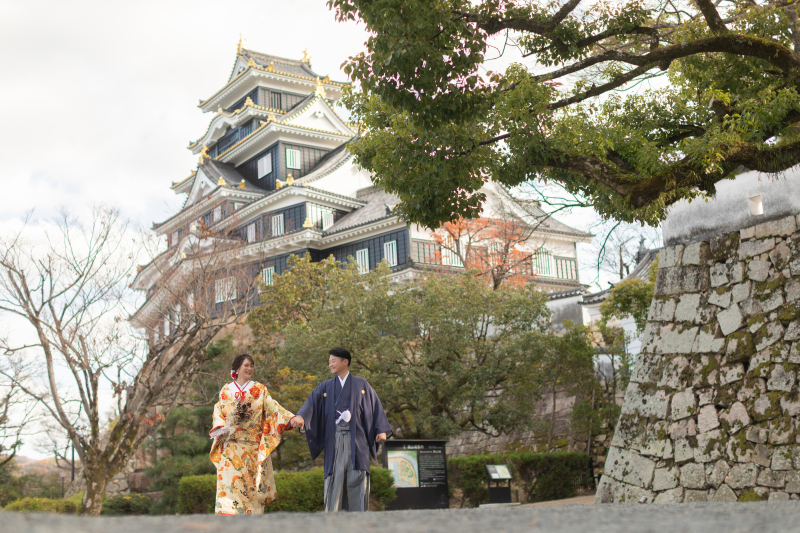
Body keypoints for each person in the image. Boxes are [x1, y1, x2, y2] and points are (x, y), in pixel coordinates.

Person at [291, 347, 392, 512]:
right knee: (334, 480)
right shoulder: (326, 387)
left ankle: (357, 523)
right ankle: (332, 522)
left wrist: (380, 429)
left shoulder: (361, 384)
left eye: (333, 361)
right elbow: (311, 403)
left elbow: (374, 406)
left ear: (345, 361)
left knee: (357, 479)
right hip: (335, 439)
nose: (330, 364)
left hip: (357, 441)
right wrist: (301, 417)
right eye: (329, 361)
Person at [209, 354, 295, 515]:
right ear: (237, 368)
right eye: (246, 365)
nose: (249, 368)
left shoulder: (260, 390)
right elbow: (218, 412)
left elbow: (273, 409)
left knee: (251, 493)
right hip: (231, 449)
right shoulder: (226, 390)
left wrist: (291, 419)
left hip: (252, 450)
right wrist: (222, 428)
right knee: (228, 493)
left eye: (252, 366)